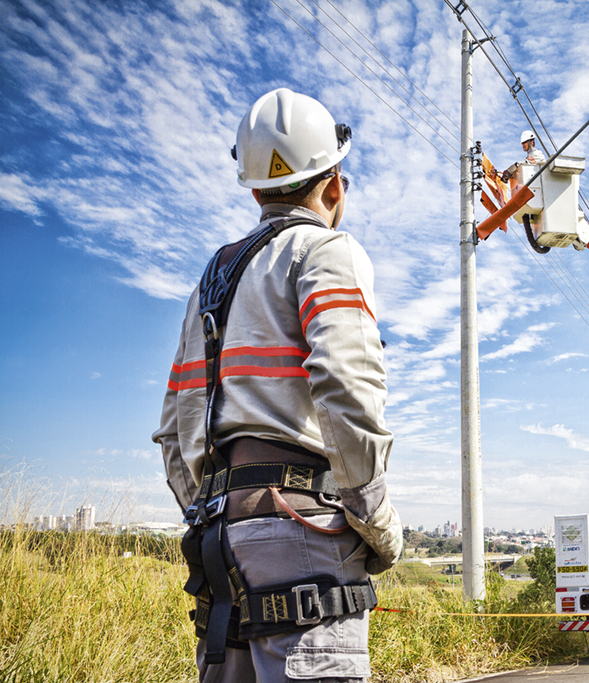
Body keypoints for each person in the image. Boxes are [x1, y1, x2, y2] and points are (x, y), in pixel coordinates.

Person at [153, 87, 403, 683]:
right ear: (334, 184)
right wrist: (376, 520)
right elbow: (346, 389)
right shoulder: (326, 251)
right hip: (304, 533)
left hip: (219, 541)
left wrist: (212, 509)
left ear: (256, 188)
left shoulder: (211, 282)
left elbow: (173, 429)